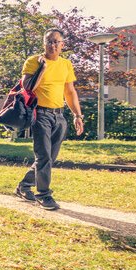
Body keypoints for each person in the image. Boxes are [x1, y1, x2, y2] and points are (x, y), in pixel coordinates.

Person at [15, 28, 84, 211]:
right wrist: (42, 68)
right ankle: (43, 195)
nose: (52, 45)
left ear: (62, 45)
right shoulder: (33, 62)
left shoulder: (66, 65)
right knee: (43, 156)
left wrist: (77, 115)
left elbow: (69, 92)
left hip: (59, 116)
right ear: (43, 44)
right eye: (49, 42)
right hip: (40, 114)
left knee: (49, 158)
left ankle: (24, 185)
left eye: (56, 42)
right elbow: (27, 87)